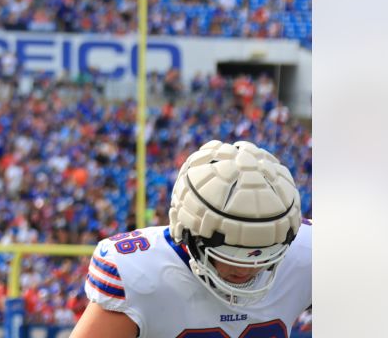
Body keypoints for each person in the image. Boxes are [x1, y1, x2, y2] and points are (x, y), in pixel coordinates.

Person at [69, 140, 310, 338]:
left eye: (263, 254)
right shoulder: (141, 274)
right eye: (230, 254)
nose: (247, 267)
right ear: (187, 232)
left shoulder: (309, 252)